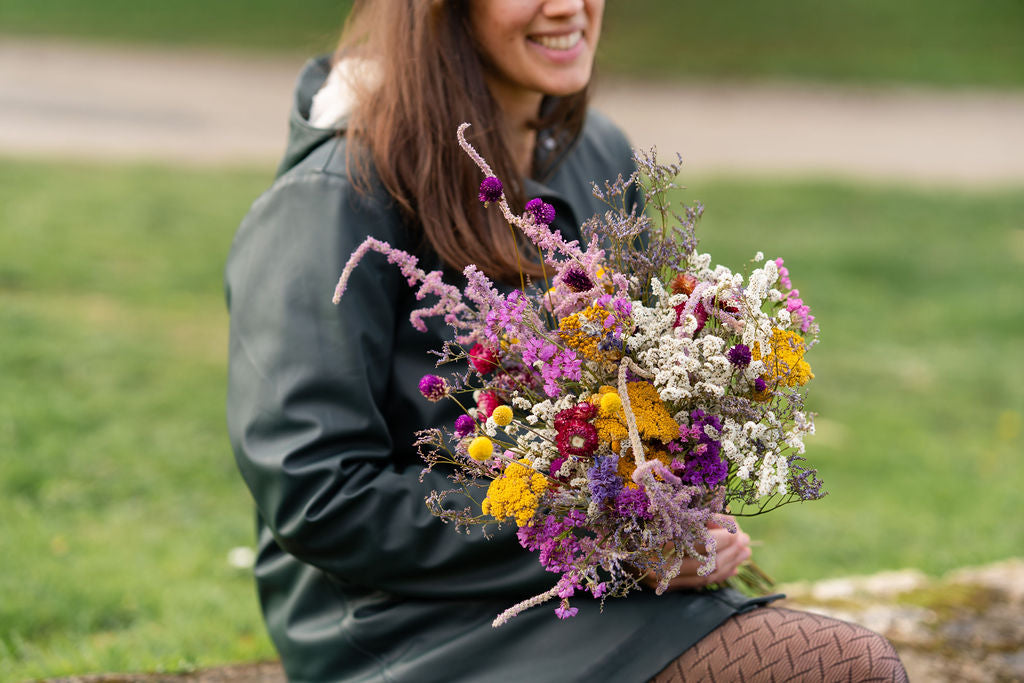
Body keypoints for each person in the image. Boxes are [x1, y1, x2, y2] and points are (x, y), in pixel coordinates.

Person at [226, 1, 908, 681]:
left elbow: (643, 387)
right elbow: (319, 494)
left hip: (603, 593)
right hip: (408, 626)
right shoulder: (330, 196)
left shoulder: (596, 152)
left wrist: (683, 499)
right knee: (848, 669)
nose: (567, 5)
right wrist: (605, 535)